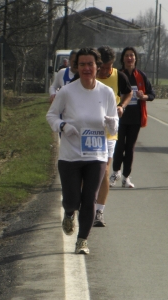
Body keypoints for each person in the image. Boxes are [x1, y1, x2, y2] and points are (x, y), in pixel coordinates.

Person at [46, 47, 118, 254]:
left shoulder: (106, 93)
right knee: (72, 200)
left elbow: (114, 122)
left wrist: (112, 125)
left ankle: (82, 241)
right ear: (77, 67)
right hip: (70, 155)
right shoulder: (67, 91)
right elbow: (51, 116)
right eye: (82, 64)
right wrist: (63, 126)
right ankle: (69, 212)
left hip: (96, 155)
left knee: (89, 199)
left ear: (98, 67)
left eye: (90, 64)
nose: (87, 68)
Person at [93, 46, 132, 227]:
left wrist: (122, 106)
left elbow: (129, 92)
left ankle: (99, 212)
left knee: (104, 171)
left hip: (109, 132)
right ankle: (85, 204)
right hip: (89, 132)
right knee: (88, 172)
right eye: (102, 68)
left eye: (108, 68)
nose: (105, 71)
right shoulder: (87, 75)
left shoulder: (119, 77)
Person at [109, 46, 155, 188]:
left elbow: (152, 95)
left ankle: (126, 177)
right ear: (123, 59)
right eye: (127, 56)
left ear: (135, 58)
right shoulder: (117, 74)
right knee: (119, 145)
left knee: (130, 148)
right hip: (119, 116)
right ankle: (116, 172)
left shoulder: (141, 76)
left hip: (135, 117)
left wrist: (144, 96)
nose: (129, 58)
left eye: (132, 56)